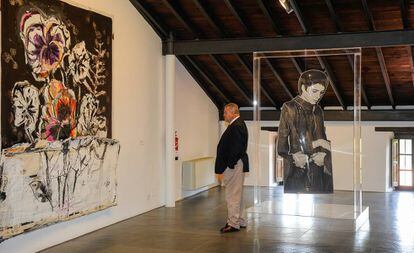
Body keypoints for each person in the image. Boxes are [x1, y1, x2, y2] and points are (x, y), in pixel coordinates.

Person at [277, 69, 333, 193]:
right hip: (298, 170)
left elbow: (323, 137)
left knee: (319, 207)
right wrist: (291, 158)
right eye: (314, 91)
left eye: (321, 92)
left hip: (317, 170)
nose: (318, 96)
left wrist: (323, 155)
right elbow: (282, 143)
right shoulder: (289, 107)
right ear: (303, 88)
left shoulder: (318, 111)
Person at [215, 103, 249, 233]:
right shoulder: (238, 124)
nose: (224, 115)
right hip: (236, 164)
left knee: (232, 195)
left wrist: (229, 164)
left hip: (233, 166)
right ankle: (239, 220)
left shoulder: (236, 126)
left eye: (225, 112)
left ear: (233, 112)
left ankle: (233, 223)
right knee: (237, 194)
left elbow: (236, 148)